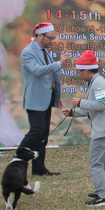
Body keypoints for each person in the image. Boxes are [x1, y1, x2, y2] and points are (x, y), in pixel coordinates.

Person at [62, 51, 105, 207]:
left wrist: (80, 103)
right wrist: (73, 112)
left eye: (79, 71)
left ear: (86, 70)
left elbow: (101, 105)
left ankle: (102, 197)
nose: (78, 74)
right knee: (103, 163)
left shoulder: (98, 83)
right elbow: (94, 108)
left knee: (95, 163)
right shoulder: (96, 81)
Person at [18, 22, 69, 176]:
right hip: (35, 100)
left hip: (46, 99)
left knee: (43, 134)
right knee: (37, 131)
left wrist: (56, 96)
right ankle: (17, 157)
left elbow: (52, 76)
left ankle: (38, 167)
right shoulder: (28, 52)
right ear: (40, 35)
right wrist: (59, 63)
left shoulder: (45, 51)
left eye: (53, 37)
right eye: (50, 38)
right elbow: (37, 71)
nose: (52, 41)